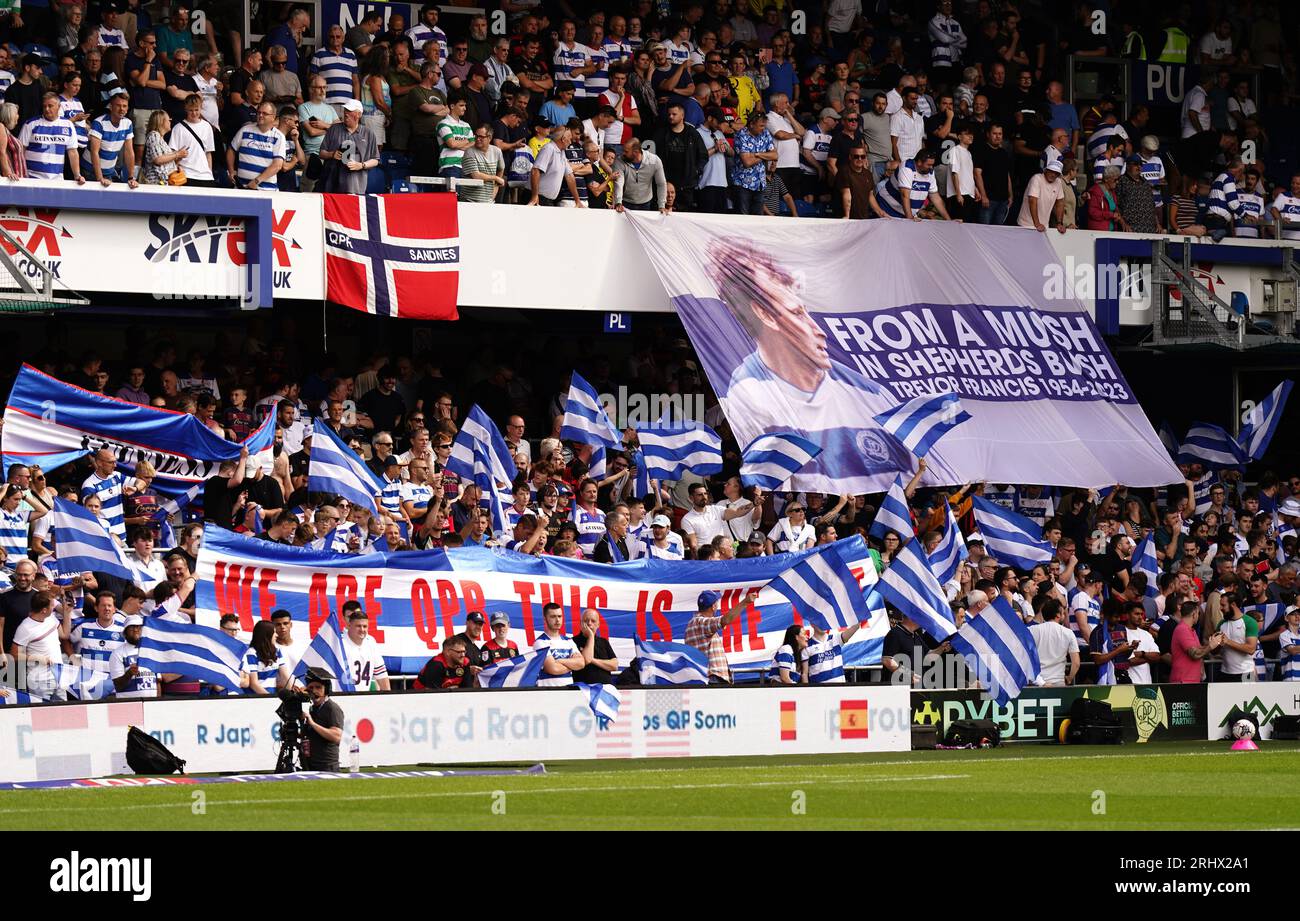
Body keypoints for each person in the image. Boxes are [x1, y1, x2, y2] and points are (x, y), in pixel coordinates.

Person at [685, 588, 760, 684]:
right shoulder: (701, 622)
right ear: (713, 606)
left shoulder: (692, 624)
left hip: (704, 677)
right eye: (717, 602)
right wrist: (745, 602)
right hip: (713, 678)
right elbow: (725, 620)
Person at [9, 591, 67, 701]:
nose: (54, 607)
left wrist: (67, 613)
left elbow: (65, 635)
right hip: (39, 681)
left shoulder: (51, 619)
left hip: (58, 676)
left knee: (63, 713)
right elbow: (14, 655)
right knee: (42, 715)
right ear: (44, 610)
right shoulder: (25, 628)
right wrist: (37, 658)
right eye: (52, 605)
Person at [317, 98, 379, 194]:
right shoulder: (334, 129)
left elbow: (375, 160)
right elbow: (321, 153)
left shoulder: (368, 133)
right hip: (332, 185)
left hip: (357, 186)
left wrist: (361, 165)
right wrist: (332, 154)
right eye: (345, 110)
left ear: (359, 114)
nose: (346, 113)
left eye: (350, 111)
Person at [301, 668, 344, 772]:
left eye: (318, 687)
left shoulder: (332, 708)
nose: (314, 691)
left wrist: (312, 723)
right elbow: (315, 734)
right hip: (312, 765)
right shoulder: (313, 708)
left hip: (327, 767)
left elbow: (336, 736)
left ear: (326, 690)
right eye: (311, 687)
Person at [340, 604, 390, 691]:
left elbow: (382, 675)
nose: (362, 629)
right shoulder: (339, 642)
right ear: (349, 625)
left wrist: (389, 700)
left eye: (365, 626)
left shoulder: (371, 642)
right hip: (342, 697)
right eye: (358, 626)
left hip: (364, 698)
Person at [1030, 597, 1079, 686]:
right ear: (1058, 615)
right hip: (1058, 683)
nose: (1064, 616)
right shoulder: (1068, 633)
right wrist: (1069, 678)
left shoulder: (1032, 630)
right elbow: (1076, 663)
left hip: (1037, 683)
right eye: (1063, 613)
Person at [535, 601, 585, 687]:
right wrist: (572, 665)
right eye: (553, 617)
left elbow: (581, 663)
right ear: (544, 619)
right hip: (548, 692)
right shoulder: (540, 642)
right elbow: (553, 669)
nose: (557, 620)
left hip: (568, 691)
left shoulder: (569, 641)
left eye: (559, 616)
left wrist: (559, 661)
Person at [1170, 600, 1221, 683]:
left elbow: (1199, 649)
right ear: (1194, 614)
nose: (1198, 616)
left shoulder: (1190, 630)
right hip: (1183, 681)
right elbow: (1195, 654)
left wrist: (1213, 643)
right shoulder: (1182, 629)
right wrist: (1210, 646)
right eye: (1198, 613)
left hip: (1191, 681)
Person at [108, 615, 157, 698]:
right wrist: (129, 673)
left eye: (138, 627)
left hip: (151, 704)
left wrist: (157, 702)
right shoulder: (117, 653)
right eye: (132, 627)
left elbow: (158, 682)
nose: (135, 630)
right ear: (125, 633)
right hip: (129, 705)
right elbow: (117, 686)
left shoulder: (151, 651)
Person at [806, 615, 863, 684]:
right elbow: (804, 674)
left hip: (839, 688)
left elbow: (856, 626)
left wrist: (860, 613)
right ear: (812, 624)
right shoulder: (807, 646)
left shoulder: (836, 639)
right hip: (819, 691)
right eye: (819, 622)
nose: (823, 624)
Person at [1016, 160, 1070, 232]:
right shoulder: (1037, 178)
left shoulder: (1058, 182)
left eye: (1056, 173)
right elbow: (1032, 200)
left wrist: (1059, 223)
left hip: (1043, 226)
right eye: (1051, 171)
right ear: (1046, 170)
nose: (1053, 175)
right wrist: (1037, 224)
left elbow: (1060, 203)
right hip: (1026, 224)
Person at [243, 619, 292, 695]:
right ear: (267, 635)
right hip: (256, 698)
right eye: (274, 632)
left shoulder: (277, 651)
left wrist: (290, 694)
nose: (276, 635)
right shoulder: (251, 653)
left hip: (271, 696)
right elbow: (254, 683)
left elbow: (285, 676)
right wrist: (269, 698)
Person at [572, 607, 618, 684]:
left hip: (605, 688)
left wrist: (592, 660)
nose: (589, 623)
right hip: (583, 689)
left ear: (598, 624)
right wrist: (590, 636)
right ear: (581, 623)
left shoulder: (604, 642)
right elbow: (585, 661)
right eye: (586, 621)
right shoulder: (573, 641)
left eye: (593, 621)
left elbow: (614, 665)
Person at [1217, 598, 1259, 682]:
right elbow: (1214, 651)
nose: (1220, 608)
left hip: (1246, 672)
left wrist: (1228, 642)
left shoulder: (1249, 622)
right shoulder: (1221, 623)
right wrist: (1215, 644)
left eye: (1223, 605)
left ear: (1233, 605)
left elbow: (1251, 649)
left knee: (1248, 695)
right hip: (1225, 672)